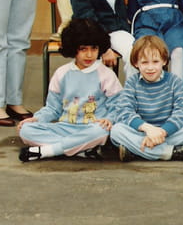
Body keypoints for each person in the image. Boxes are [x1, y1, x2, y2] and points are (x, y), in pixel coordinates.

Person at [18, 18, 123, 161]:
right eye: (83, 49)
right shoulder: (61, 73)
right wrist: (37, 118)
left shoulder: (106, 74)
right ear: (73, 48)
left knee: (102, 131)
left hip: (92, 128)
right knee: (26, 130)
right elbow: (52, 108)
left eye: (94, 48)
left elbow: (118, 105)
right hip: (65, 128)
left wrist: (109, 119)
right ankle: (80, 149)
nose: (89, 54)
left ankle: (47, 151)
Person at [110, 35, 183, 162]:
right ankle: (170, 152)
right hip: (142, 131)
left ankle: (138, 151)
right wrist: (148, 129)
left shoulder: (174, 81)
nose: (150, 67)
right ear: (136, 63)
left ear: (164, 61)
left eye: (155, 62)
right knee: (116, 131)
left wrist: (162, 132)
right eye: (144, 62)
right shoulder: (132, 82)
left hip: (167, 132)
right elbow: (124, 110)